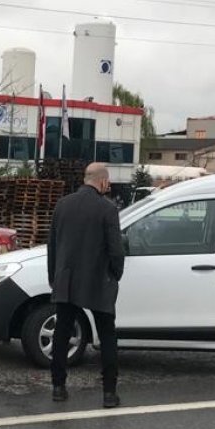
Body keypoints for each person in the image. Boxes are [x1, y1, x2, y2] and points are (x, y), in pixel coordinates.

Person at [47, 162, 125, 407]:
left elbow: (53, 246)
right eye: (108, 182)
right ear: (102, 181)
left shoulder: (62, 205)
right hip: (98, 280)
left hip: (67, 280)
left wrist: (54, 278)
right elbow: (116, 250)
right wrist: (116, 274)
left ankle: (58, 387)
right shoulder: (108, 209)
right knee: (107, 336)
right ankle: (109, 393)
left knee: (62, 333)